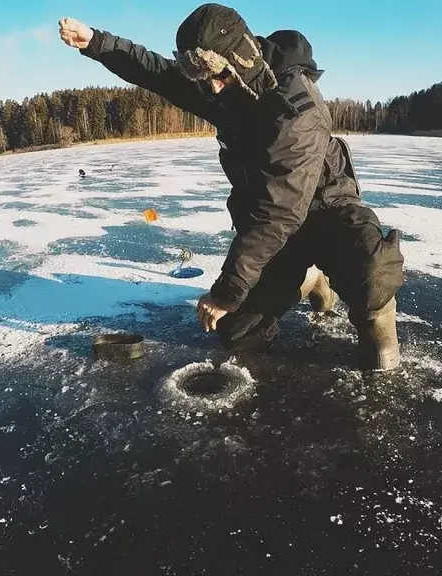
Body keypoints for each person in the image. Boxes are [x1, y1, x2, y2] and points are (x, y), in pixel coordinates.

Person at [58, 4, 405, 370]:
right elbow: (156, 72)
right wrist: (96, 42)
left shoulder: (294, 108)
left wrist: (225, 292)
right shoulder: (221, 88)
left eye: (218, 75)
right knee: (237, 331)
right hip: (276, 232)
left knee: (371, 272)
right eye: (202, 77)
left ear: (241, 59)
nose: (211, 87)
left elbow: (279, 212)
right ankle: (309, 280)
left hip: (326, 213)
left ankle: (377, 328)